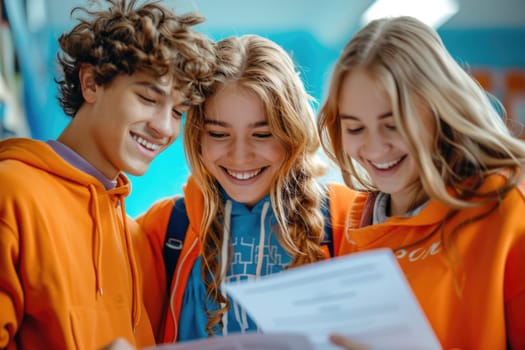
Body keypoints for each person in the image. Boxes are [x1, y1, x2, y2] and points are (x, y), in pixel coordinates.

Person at [0, 0, 215, 348]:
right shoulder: (11, 193)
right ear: (91, 83)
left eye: (178, 111)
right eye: (148, 98)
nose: (164, 127)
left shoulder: (131, 235)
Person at [317, 16, 525, 350]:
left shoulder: (505, 207)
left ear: (439, 110)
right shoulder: (354, 222)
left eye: (394, 124)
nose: (374, 148)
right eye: (355, 129)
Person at [137, 34, 355, 343]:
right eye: (219, 133)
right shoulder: (164, 229)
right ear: (198, 136)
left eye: (263, 134)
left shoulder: (351, 219)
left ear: (293, 133)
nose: (240, 156)